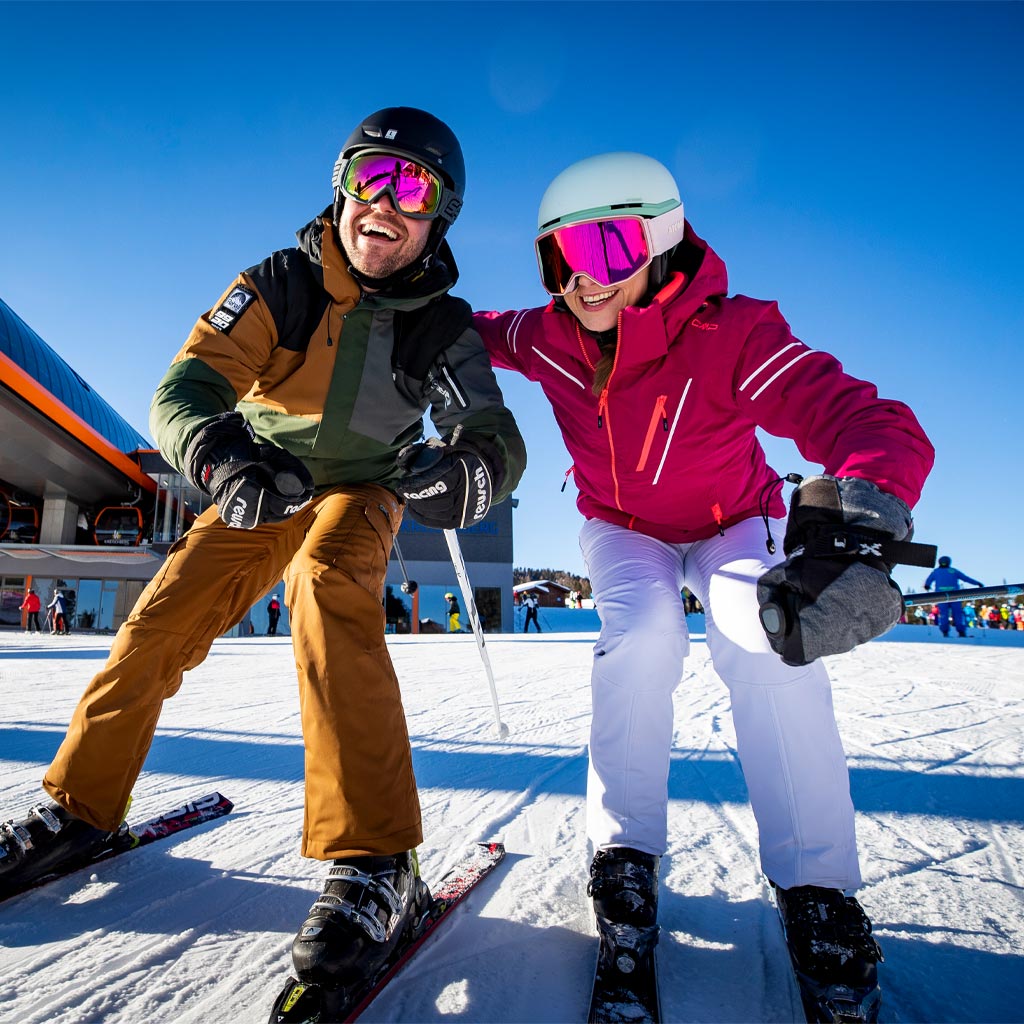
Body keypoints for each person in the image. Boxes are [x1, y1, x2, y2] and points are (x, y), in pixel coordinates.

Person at [0, 107, 525, 994]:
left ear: (441, 217)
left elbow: (491, 432)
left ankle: (376, 860)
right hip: (268, 478)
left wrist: (471, 473)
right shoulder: (282, 282)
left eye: (413, 190)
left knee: (328, 585)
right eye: (370, 177)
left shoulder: (440, 323)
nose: (383, 206)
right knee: (159, 620)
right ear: (341, 185)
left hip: (364, 487)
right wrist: (216, 452)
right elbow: (188, 384)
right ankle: (79, 805)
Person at [474, 152, 934, 1002]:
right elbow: (467, 329)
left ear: (662, 238)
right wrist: (406, 320)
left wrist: (869, 504)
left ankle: (818, 887)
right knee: (643, 634)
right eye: (559, 254)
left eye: (608, 248)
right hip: (623, 528)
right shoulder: (548, 337)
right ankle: (624, 860)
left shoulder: (733, 333)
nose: (583, 276)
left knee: (763, 634)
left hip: (734, 522)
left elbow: (856, 415)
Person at [923, 555, 982, 637]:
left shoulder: (936, 572)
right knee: (957, 614)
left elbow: (928, 581)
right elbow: (966, 578)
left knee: (944, 614)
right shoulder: (953, 571)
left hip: (941, 596)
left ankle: (945, 631)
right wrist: (977, 583)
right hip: (955, 596)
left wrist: (927, 585)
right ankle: (961, 631)